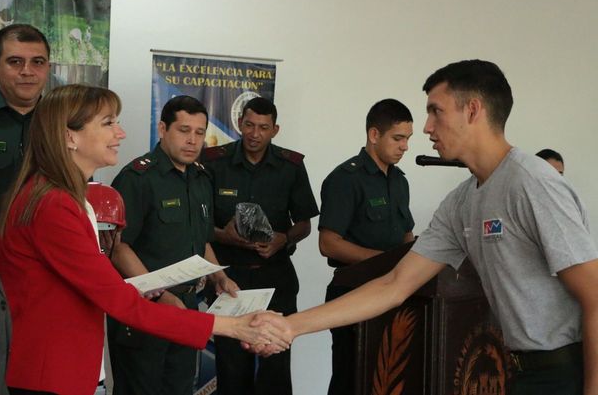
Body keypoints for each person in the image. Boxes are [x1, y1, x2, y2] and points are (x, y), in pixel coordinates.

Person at [252, 60, 598, 395]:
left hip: (566, 369)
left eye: (436, 111)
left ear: (473, 111)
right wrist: (290, 326)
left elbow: (594, 297)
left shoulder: (533, 183)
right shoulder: (463, 201)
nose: (427, 127)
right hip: (518, 367)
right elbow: (394, 284)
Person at [0, 85, 288, 395]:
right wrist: (233, 326)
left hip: (68, 367)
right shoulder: (53, 204)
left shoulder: (67, 197)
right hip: (52, 374)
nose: (120, 133)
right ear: (70, 136)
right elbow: (117, 298)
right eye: (108, 122)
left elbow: (99, 285)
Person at [107, 95, 240, 395]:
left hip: (187, 307)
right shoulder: (137, 178)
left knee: (180, 389)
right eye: (183, 130)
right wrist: (159, 295)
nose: (192, 140)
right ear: (162, 129)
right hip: (145, 308)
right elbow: (118, 248)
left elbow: (202, 240)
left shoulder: (201, 178)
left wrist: (219, 276)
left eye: (199, 132)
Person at [202, 96, 319, 395]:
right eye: (250, 125)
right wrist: (224, 235)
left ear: (275, 130)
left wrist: (284, 239)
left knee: (276, 366)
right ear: (240, 124)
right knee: (231, 366)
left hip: (275, 276)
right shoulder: (214, 162)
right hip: (229, 279)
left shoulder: (290, 166)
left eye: (263, 128)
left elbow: (304, 223)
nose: (255, 134)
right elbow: (197, 226)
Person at [318, 98, 415, 395]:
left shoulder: (399, 181)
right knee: (351, 379)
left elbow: (406, 234)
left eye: (408, 139)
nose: (405, 147)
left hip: (392, 292)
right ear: (374, 135)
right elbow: (329, 244)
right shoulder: (345, 179)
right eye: (398, 138)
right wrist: (384, 261)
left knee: (388, 378)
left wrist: (413, 260)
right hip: (352, 291)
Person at [0, 23, 49, 209]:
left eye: (38, 62)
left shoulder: (64, 123)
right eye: (15, 61)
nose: (27, 71)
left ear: (48, 67)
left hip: (47, 235)